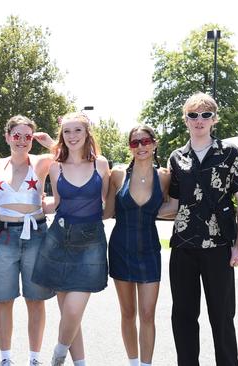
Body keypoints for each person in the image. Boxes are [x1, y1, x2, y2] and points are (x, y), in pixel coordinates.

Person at [161, 92, 238, 366]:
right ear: (185, 120)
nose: (199, 120)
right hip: (183, 247)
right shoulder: (177, 158)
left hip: (219, 247)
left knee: (222, 317)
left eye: (205, 115)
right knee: (183, 316)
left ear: (214, 119)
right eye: (193, 115)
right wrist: (136, 212)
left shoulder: (229, 154)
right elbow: (174, 204)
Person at [31, 112, 110, 366]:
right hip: (59, 240)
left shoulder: (101, 164)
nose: (72, 136)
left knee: (74, 311)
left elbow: (105, 204)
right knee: (69, 315)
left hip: (91, 242)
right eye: (67, 131)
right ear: (61, 136)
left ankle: (59, 353)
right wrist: (39, 205)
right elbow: (59, 203)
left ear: (87, 133)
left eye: (77, 130)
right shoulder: (56, 167)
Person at [0, 115, 56, 366]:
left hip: (36, 235)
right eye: (16, 135)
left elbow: (76, 153)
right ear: (7, 137)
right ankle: (5, 358)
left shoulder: (40, 162)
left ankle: (34, 359)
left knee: (35, 299)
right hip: (4, 235)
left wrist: (49, 142)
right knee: (3, 299)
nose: (21, 141)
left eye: (27, 136)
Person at [103, 125, 170, 366]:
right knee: (128, 313)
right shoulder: (118, 174)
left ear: (154, 143)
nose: (140, 146)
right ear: (130, 147)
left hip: (150, 250)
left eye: (145, 141)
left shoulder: (165, 176)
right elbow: (107, 211)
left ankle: (146, 364)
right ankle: (133, 362)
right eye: (134, 143)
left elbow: (174, 207)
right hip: (121, 248)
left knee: (148, 315)